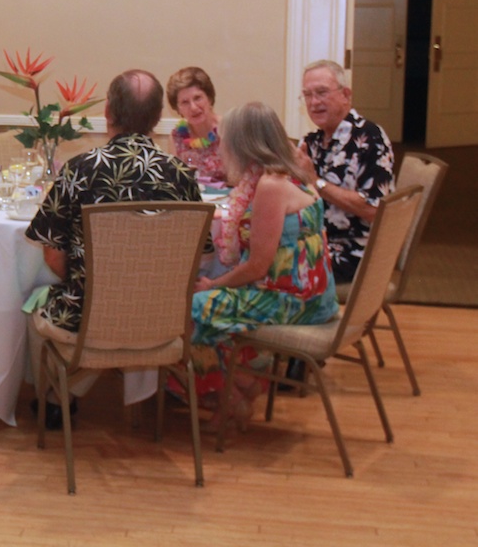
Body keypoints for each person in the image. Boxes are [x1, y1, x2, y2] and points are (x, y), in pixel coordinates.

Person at [24, 69, 204, 428]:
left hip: (87, 318)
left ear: (107, 112)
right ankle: (68, 393)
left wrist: (101, 289)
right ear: (157, 118)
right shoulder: (182, 176)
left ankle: (56, 400)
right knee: (106, 319)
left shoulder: (80, 170)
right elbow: (198, 259)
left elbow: (51, 254)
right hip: (163, 321)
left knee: (34, 302)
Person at [188, 102, 339, 431]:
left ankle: (232, 397)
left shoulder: (270, 187)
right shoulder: (293, 171)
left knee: (189, 310)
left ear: (243, 143)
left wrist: (214, 286)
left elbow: (257, 266)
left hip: (293, 298)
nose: (221, 144)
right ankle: (243, 384)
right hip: (310, 290)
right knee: (203, 309)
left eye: (225, 138)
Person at [294, 59, 395, 284]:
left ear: (346, 95)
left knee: (273, 266)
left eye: (321, 92)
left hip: (353, 251)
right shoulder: (312, 142)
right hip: (314, 240)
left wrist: (315, 181)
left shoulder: (369, 138)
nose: (314, 102)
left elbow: (374, 209)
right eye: (307, 95)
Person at [166, 66, 227, 185]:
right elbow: (176, 182)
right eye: (185, 102)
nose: (193, 107)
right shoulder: (176, 138)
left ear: (209, 98)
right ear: (178, 109)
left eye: (197, 98)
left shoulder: (228, 130)